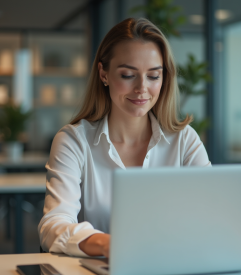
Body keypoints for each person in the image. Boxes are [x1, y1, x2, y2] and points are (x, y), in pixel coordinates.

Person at [38, 18, 211, 258]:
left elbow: (212, 213)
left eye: (153, 76)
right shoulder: (74, 140)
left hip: (171, 266)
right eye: (128, 75)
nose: (142, 88)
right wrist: (111, 245)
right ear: (104, 73)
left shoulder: (184, 140)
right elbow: (53, 225)